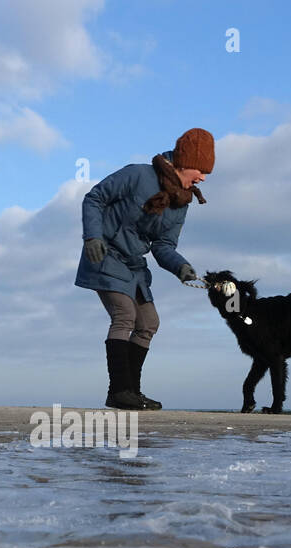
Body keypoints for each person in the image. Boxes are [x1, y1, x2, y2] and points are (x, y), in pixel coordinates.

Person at [74, 128, 214, 410]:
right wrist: (93, 236)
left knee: (149, 323)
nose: (203, 178)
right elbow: (94, 198)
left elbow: (163, 245)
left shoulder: (181, 204)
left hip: (134, 266)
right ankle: (118, 392)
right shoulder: (137, 175)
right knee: (124, 315)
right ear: (185, 161)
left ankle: (132, 392)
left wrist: (181, 267)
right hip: (104, 254)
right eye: (201, 170)